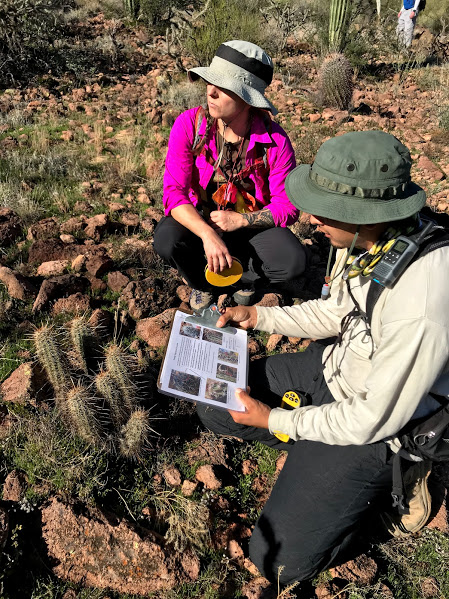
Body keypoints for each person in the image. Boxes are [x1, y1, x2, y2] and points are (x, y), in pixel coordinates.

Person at [197, 130, 449, 587]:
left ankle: (404, 479)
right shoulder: (364, 239)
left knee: (276, 561)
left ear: (367, 212)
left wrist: (275, 420)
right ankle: (316, 451)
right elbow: (337, 311)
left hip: (378, 425)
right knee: (215, 401)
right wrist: (257, 316)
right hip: (335, 367)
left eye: (326, 210)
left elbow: (373, 417)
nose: (310, 218)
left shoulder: (423, 303)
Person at [153, 40, 308, 312]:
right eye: (210, 82)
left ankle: (237, 278)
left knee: (291, 261)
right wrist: (206, 234)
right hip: (201, 218)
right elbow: (174, 192)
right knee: (166, 241)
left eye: (223, 87)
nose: (210, 92)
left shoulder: (275, 141)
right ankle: (204, 283)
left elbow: (288, 207)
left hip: (247, 225)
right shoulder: (190, 124)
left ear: (248, 99)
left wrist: (241, 220)